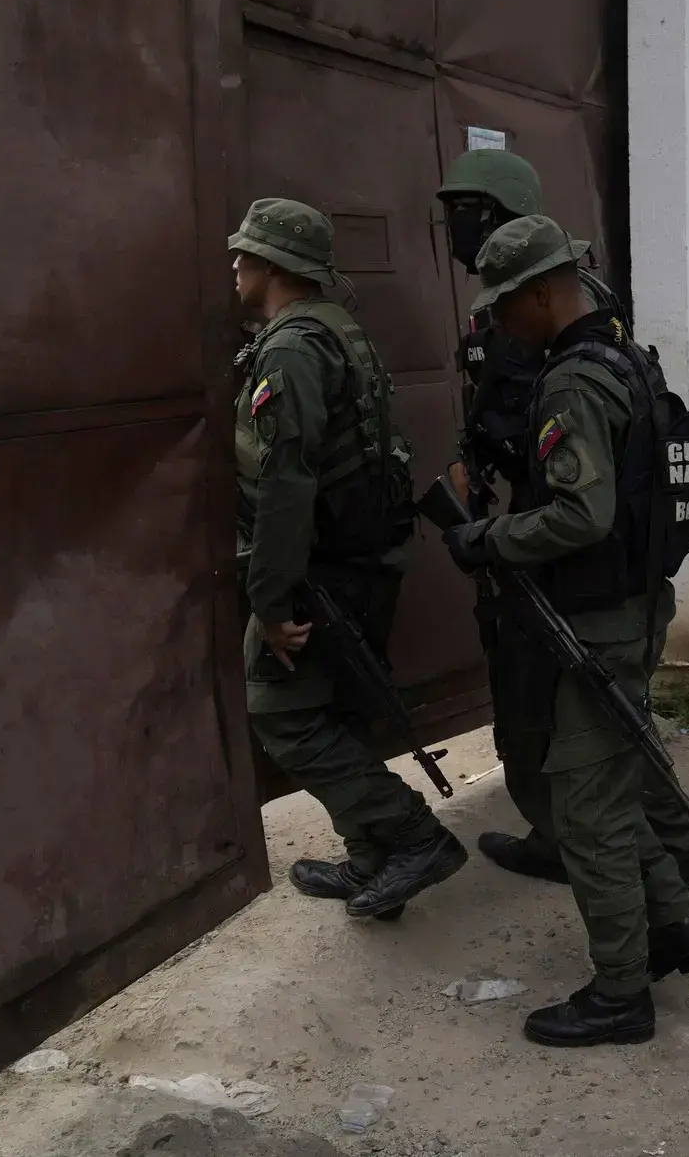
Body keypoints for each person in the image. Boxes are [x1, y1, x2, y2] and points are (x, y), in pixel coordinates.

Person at [442, 215, 689, 1047]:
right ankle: (674, 927)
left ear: (538, 292)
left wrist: (485, 539)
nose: (496, 324)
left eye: (502, 305)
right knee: (608, 786)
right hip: (631, 607)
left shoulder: (568, 383)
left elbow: (580, 515)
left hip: (593, 621)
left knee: (590, 814)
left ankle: (620, 994)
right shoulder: (627, 356)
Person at [230, 199, 467, 922]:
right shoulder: (338, 330)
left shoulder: (292, 349)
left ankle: (412, 837)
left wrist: (270, 604)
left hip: (318, 571)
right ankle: (373, 860)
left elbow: (286, 482)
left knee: (285, 717)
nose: (235, 266)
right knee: (337, 712)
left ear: (273, 265)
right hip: (357, 561)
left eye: (245, 254)